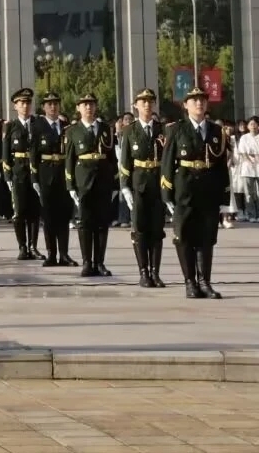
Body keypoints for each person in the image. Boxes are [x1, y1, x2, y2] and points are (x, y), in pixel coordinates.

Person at [161, 86, 227, 298]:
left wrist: (224, 195)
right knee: (184, 236)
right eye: (194, 100)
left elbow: (221, 165)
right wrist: (167, 194)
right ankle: (190, 282)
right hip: (185, 189)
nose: (199, 103)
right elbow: (167, 164)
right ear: (185, 105)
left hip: (208, 190)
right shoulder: (176, 130)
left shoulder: (217, 131)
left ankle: (205, 282)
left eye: (202, 100)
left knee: (207, 237)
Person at [64, 92, 117, 278]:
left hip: (103, 180)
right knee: (85, 223)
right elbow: (69, 160)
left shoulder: (105, 128)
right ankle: (87, 262)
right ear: (78, 108)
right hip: (83, 181)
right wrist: (70, 185)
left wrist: (115, 183)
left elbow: (112, 158)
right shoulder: (72, 131)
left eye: (91, 104)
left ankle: (99, 262)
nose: (88, 107)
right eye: (85, 104)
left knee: (102, 224)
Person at [120, 88, 166, 288]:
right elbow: (125, 161)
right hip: (138, 184)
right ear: (136, 106)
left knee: (157, 229)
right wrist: (125, 187)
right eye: (143, 102)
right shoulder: (129, 130)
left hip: (158, 183)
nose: (147, 105)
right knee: (140, 229)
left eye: (150, 101)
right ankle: (143, 272)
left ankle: (155, 272)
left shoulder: (163, 129)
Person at [32, 92, 76, 267]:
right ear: (44, 107)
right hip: (46, 174)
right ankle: (51, 254)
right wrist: (34, 178)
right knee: (49, 217)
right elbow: (33, 154)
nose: (53, 107)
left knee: (64, 216)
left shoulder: (67, 126)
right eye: (49, 104)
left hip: (63, 175)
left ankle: (64, 254)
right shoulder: (37, 126)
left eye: (56, 103)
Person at [3, 88, 43, 261]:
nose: (25, 106)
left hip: (35, 172)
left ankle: (33, 247)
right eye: (21, 103)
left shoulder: (38, 124)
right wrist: (7, 175)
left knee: (34, 211)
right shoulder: (10, 126)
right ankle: (22, 247)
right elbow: (5, 152)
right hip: (18, 172)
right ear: (15, 106)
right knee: (19, 211)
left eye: (27, 103)